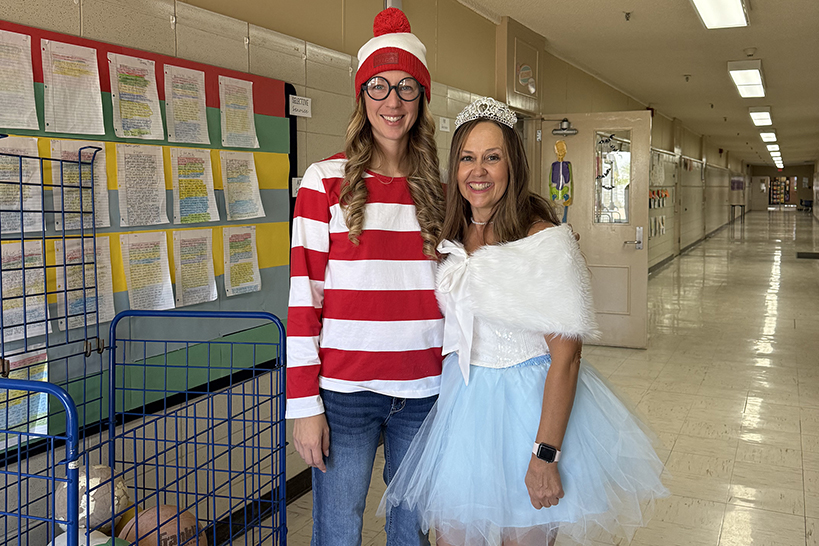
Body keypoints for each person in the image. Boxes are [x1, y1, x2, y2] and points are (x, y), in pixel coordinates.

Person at [380, 97, 668, 546]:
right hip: (465, 407)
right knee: (453, 536)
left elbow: (568, 357)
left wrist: (545, 455)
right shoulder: (454, 232)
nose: (478, 171)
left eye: (492, 158)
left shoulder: (542, 240)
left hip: (528, 412)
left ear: (512, 165)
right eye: (467, 159)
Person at [286, 7, 446, 546]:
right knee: (337, 531)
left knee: (412, 532)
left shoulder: (440, 191)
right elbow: (303, 300)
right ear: (362, 96)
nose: (392, 102)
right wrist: (305, 406)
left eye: (406, 87)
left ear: (422, 98)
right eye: (378, 86)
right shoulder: (323, 181)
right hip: (345, 392)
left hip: (425, 390)